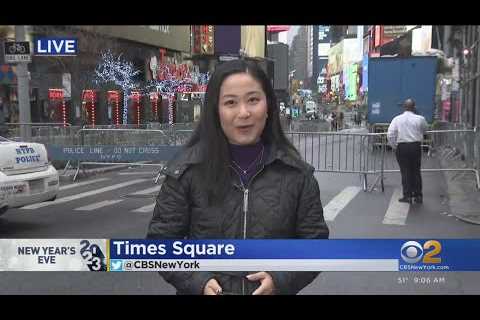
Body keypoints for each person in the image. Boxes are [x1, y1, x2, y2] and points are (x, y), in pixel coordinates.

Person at [146, 59, 329, 295]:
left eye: (253, 100)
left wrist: (281, 279)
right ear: (215, 110)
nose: (244, 113)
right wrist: (196, 280)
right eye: (230, 102)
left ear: (268, 106)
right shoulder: (186, 171)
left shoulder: (296, 174)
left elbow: (315, 244)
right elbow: (161, 243)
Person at [387, 98, 428, 204]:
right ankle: (418, 196)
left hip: (402, 147)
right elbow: (425, 130)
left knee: (405, 172)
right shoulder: (420, 118)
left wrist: (394, 145)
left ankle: (407, 195)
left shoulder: (397, 119)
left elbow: (390, 134)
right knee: (416, 171)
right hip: (415, 146)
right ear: (414, 107)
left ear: (404, 107)